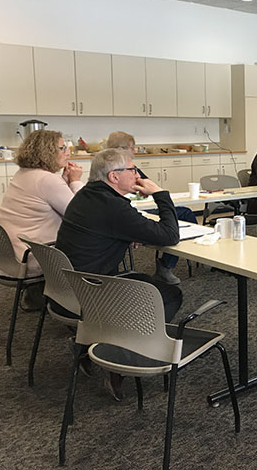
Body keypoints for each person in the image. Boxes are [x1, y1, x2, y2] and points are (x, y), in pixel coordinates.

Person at [56, 148, 182, 401]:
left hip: (70, 286)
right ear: (114, 176)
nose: (137, 175)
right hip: (95, 288)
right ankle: (121, 359)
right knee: (169, 295)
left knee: (146, 283)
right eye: (132, 170)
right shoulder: (114, 207)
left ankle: (87, 344)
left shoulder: (87, 195)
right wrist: (160, 193)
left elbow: (109, 227)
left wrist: (126, 234)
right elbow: (170, 235)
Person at [0, 130, 83, 310]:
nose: (68, 152)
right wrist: (75, 182)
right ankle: (83, 302)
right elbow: (80, 214)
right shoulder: (47, 180)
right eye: (62, 148)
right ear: (47, 151)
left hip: (8, 255)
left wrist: (63, 182)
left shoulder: (24, 173)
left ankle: (38, 294)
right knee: (94, 244)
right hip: (33, 256)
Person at [105, 131, 197, 285]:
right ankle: (166, 265)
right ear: (122, 149)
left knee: (181, 214)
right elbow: (151, 188)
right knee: (183, 214)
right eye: (132, 147)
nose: (135, 151)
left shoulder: (107, 168)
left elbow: (147, 186)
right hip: (131, 213)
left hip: (130, 214)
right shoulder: (121, 169)